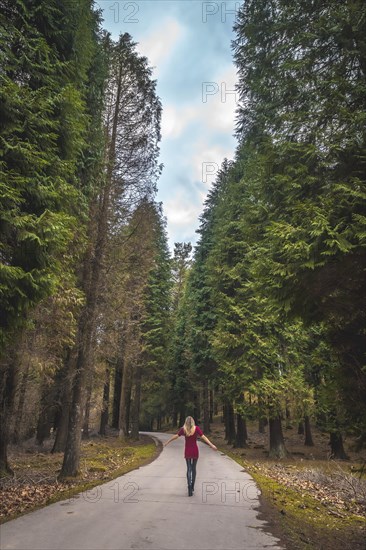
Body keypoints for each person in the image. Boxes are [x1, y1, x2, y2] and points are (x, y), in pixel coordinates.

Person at [163, 416, 217, 496]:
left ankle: (189, 486)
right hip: (195, 450)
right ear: (193, 422)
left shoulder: (183, 429)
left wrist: (167, 442)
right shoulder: (196, 428)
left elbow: (176, 436)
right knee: (194, 468)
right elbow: (203, 437)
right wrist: (211, 445)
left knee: (188, 468)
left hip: (187, 451)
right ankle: (192, 486)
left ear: (186, 422)